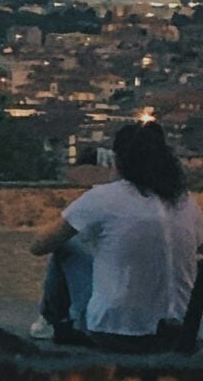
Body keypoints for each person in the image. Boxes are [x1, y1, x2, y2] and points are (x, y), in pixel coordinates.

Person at [31, 120, 201, 353]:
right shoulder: (186, 202)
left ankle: (53, 322)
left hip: (116, 332)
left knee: (68, 245)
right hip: (180, 331)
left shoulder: (104, 197)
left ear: (118, 160)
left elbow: (39, 245)